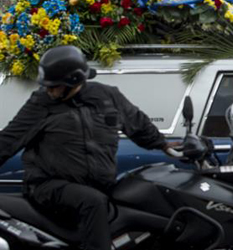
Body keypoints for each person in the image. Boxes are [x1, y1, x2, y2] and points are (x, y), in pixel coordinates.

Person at [0, 46, 179, 250]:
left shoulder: (107, 96)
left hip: (101, 185)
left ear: (74, 80)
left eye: (54, 86)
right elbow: (8, 140)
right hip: (49, 186)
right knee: (92, 201)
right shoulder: (40, 104)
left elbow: (138, 124)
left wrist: (166, 146)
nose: (49, 91)